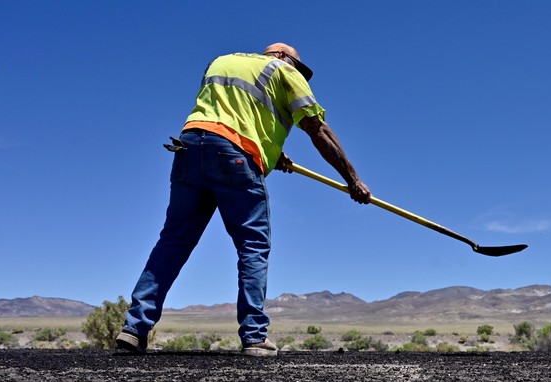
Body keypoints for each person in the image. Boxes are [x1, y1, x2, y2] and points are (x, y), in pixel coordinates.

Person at [116, 43, 371, 356]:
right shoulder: (284, 71)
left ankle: (134, 328)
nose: (298, 73)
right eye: (297, 66)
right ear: (282, 57)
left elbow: (231, 116)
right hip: (235, 157)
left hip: (190, 148)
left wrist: (272, 152)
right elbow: (317, 130)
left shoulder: (223, 61)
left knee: (173, 241)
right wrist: (353, 180)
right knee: (253, 245)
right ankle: (253, 336)